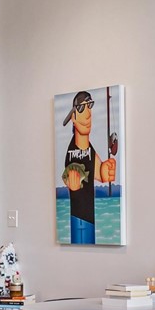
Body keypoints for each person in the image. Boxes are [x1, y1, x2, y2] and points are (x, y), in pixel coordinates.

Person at [61, 90, 98, 244]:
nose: (88, 114)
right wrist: (72, 186)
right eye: (83, 108)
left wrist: (105, 170)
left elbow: (97, 169)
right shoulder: (71, 150)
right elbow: (68, 176)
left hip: (90, 212)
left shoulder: (89, 147)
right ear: (73, 117)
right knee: (83, 238)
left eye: (90, 106)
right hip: (79, 215)